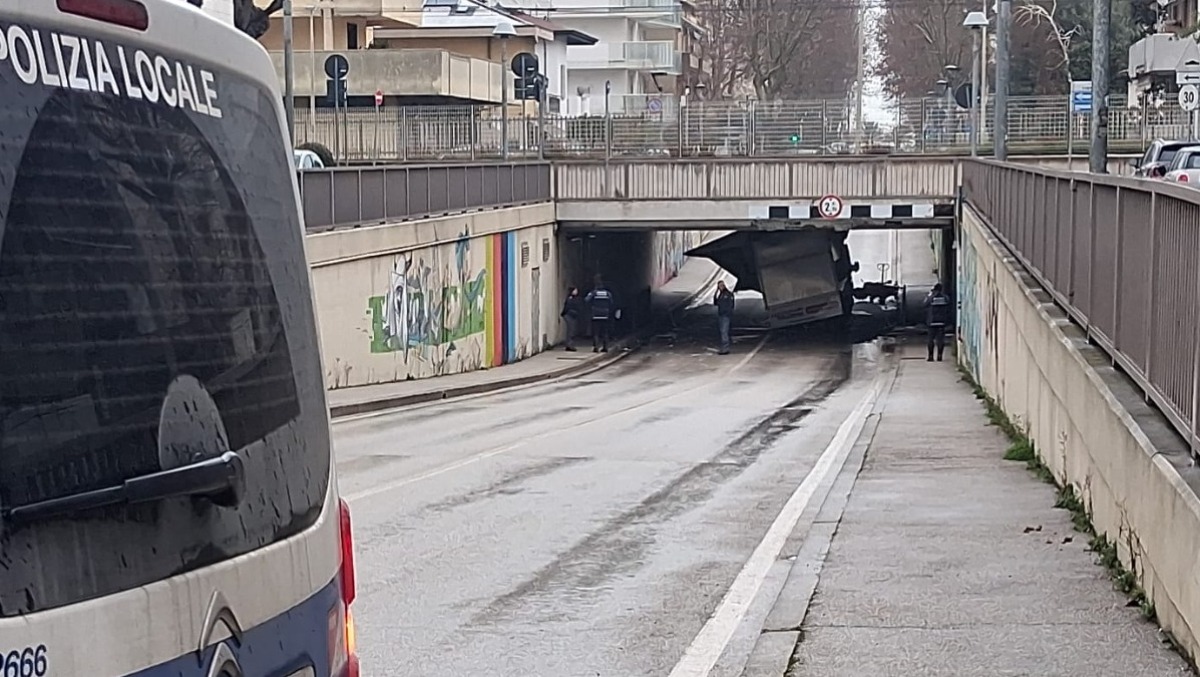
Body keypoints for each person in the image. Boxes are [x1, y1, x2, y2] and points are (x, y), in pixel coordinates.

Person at [585, 275, 615, 353]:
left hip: (595, 315)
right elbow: (611, 303)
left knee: (596, 332)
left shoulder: (593, 293)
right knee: (605, 332)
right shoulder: (608, 293)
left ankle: (596, 347)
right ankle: (605, 347)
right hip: (605, 314)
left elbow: (586, 300)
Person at [924, 283, 952, 362]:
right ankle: (940, 355)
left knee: (930, 339)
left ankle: (930, 356)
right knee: (940, 340)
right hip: (941, 322)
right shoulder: (945, 297)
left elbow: (925, 304)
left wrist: (929, 295)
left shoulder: (931, 297)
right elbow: (948, 306)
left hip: (931, 322)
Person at [713, 280, 735, 355]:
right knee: (722, 332)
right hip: (721, 315)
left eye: (722, 285)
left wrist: (727, 312)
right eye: (719, 286)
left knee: (724, 332)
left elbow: (731, 305)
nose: (720, 287)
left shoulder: (728, 294)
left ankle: (725, 348)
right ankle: (724, 348)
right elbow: (715, 302)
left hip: (725, 315)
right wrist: (716, 292)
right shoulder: (721, 294)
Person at [560, 286, 582, 351]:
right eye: (575, 290)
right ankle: (569, 345)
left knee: (572, 330)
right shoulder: (570, 299)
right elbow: (567, 307)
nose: (576, 292)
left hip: (572, 315)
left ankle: (570, 344)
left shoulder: (575, 298)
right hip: (569, 315)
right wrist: (564, 313)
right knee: (570, 331)